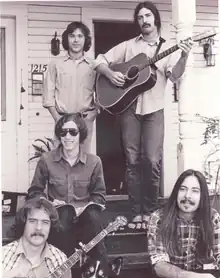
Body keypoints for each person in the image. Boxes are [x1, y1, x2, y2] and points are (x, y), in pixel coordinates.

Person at [94, 1, 193, 230]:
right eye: (140, 17)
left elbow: (175, 75)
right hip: (130, 109)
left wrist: (185, 57)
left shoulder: (167, 48)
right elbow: (99, 60)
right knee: (132, 162)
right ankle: (135, 212)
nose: (144, 20)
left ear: (156, 19)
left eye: (148, 15)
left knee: (152, 161)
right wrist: (110, 74)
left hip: (154, 110)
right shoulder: (129, 46)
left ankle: (150, 211)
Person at [27, 113, 107, 263]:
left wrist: (86, 207)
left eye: (73, 132)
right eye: (63, 132)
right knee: (64, 213)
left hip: (86, 219)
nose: (67, 137)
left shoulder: (94, 162)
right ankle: (63, 269)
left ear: (80, 134)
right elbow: (34, 192)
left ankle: (101, 269)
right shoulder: (47, 160)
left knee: (94, 216)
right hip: (60, 219)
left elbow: (99, 197)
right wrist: (48, 204)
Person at [147, 169, 220, 278]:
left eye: (195, 191)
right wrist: (193, 277)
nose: (187, 196)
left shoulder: (212, 217)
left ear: (203, 196)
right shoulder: (159, 218)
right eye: (183, 189)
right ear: (176, 192)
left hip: (202, 273)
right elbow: (159, 266)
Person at [43, 21, 97, 152]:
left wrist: (93, 114)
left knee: (82, 161)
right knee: (61, 163)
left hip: (85, 121)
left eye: (80, 36)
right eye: (72, 36)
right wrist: (58, 119)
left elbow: (102, 95)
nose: (76, 40)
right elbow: (47, 97)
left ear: (86, 40)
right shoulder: (55, 64)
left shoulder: (94, 66)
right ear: (67, 39)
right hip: (62, 119)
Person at [2, 197, 72, 278]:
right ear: (23, 223)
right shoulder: (4, 255)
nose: (39, 227)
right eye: (32, 221)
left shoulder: (60, 260)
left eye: (45, 222)